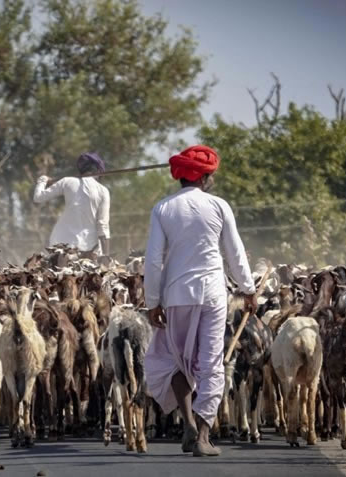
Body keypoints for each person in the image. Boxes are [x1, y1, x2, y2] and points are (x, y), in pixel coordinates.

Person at [142, 145, 256, 457]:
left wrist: (152, 301)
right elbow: (234, 252)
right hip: (213, 295)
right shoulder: (219, 207)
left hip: (177, 295)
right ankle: (204, 436)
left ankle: (189, 421)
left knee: (174, 359)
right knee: (211, 364)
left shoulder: (163, 209)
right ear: (204, 177)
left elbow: (152, 261)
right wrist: (248, 289)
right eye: (211, 176)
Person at [33, 152, 111, 255]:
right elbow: (103, 226)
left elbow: (38, 198)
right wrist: (106, 256)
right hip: (89, 249)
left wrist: (42, 180)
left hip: (61, 246)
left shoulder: (67, 182)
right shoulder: (103, 191)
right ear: (98, 170)